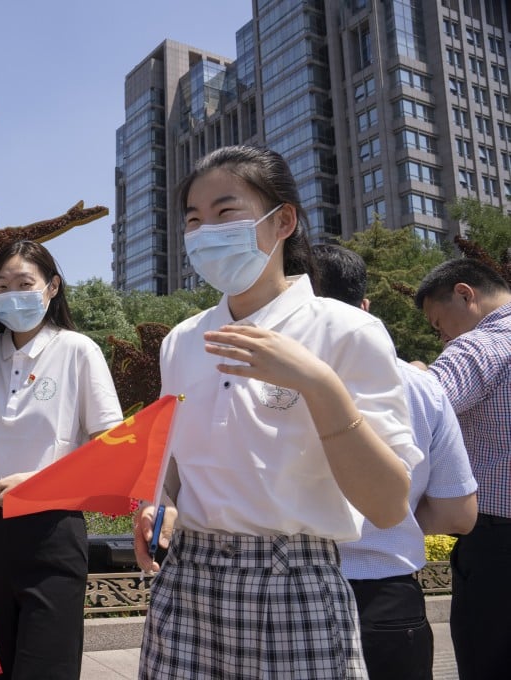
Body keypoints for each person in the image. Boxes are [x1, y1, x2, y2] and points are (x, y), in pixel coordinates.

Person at [134, 145, 421, 678]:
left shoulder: (345, 331)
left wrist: (316, 382)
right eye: (194, 220)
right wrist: (160, 505)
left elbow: (387, 504)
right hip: (187, 582)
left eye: (226, 213)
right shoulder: (182, 340)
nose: (205, 233)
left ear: (283, 219)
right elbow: (171, 468)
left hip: (294, 581)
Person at [0, 240, 123, 679]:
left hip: (52, 530)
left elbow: (110, 448)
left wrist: (39, 482)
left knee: (48, 667)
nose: (13, 295)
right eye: (1, 287)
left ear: (52, 287)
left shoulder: (78, 350)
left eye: (25, 284)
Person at [314, 244, 477, 680]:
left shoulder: (259, 383)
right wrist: (391, 514)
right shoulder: (423, 387)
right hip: (388, 602)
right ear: (365, 308)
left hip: (285, 595)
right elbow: (458, 514)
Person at [414, 258, 511, 680]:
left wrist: (415, 374)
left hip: (498, 547)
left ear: (465, 294)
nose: (443, 337)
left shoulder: (480, 346)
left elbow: (420, 410)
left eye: (439, 324)